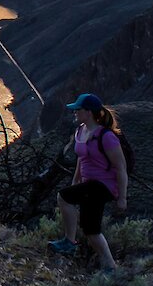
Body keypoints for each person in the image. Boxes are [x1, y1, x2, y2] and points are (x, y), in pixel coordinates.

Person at [48, 93, 128, 270]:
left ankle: (69, 241)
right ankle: (110, 266)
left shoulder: (106, 137)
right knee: (91, 230)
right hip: (89, 184)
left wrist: (122, 198)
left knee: (63, 197)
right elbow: (81, 159)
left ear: (89, 112)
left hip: (103, 186)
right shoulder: (80, 131)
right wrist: (76, 180)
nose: (75, 112)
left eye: (78, 109)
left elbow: (121, 168)